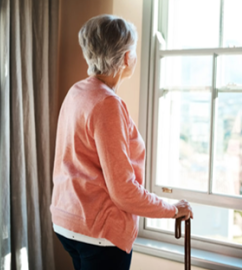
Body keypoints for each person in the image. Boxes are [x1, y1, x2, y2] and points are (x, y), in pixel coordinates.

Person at [50, 14, 193, 270]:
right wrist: (172, 209)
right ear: (127, 58)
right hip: (99, 234)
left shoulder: (78, 91)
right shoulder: (107, 104)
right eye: (134, 51)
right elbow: (123, 191)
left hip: (67, 221)